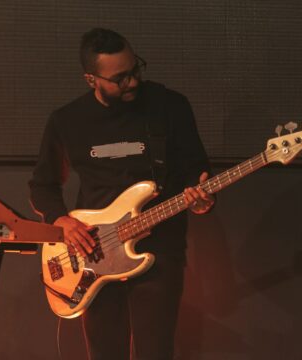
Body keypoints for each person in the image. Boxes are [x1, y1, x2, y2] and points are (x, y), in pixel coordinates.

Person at [29, 28, 214, 360]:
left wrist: (201, 197)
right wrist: (63, 223)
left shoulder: (169, 106)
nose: (132, 82)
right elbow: (42, 185)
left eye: (135, 70)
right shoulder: (67, 120)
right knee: (104, 352)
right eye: (120, 78)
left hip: (159, 247)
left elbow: (195, 169)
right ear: (91, 80)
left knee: (155, 351)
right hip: (95, 254)